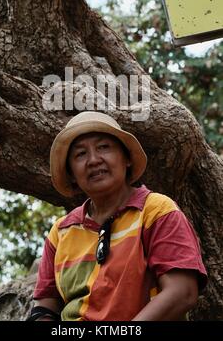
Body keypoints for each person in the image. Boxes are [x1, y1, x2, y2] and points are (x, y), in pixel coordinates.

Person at [28, 111, 207, 322]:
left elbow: (182, 292)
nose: (93, 160)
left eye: (104, 147)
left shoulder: (156, 211)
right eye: (80, 154)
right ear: (71, 174)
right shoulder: (61, 232)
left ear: (127, 159)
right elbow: (44, 308)